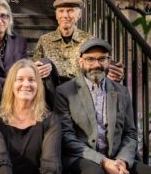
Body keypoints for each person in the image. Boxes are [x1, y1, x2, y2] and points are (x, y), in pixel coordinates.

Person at [55, 38, 151, 174]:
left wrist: (122, 161)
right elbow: (66, 136)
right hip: (81, 158)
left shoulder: (121, 92)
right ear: (80, 61)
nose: (96, 64)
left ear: (109, 60)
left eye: (102, 59)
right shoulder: (65, 92)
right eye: (90, 59)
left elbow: (130, 133)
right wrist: (103, 161)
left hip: (117, 157)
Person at [0, 0, 54, 110]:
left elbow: (22, 65)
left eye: (3, 16)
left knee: (46, 64)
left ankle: (48, 114)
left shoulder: (20, 40)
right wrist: (10, 82)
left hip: (17, 88)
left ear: (9, 20)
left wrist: (34, 69)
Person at [0, 59, 61, 174]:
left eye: (32, 79)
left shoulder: (51, 121)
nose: (26, 84)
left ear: (38, 86)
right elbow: (0, 161)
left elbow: (50, 164)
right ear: (11, 84)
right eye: (20, 79)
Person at [32, 0, 124, 84]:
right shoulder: (44, 40)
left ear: (79, 14)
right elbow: (34, 68)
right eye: (61, 11)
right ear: (56, 15)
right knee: (43, 63)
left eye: (70, 11)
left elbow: (97, 68)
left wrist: (113, 73)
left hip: (80, 92)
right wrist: (37, 71)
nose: (65, 15)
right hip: (53, 92)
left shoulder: (88, 40)